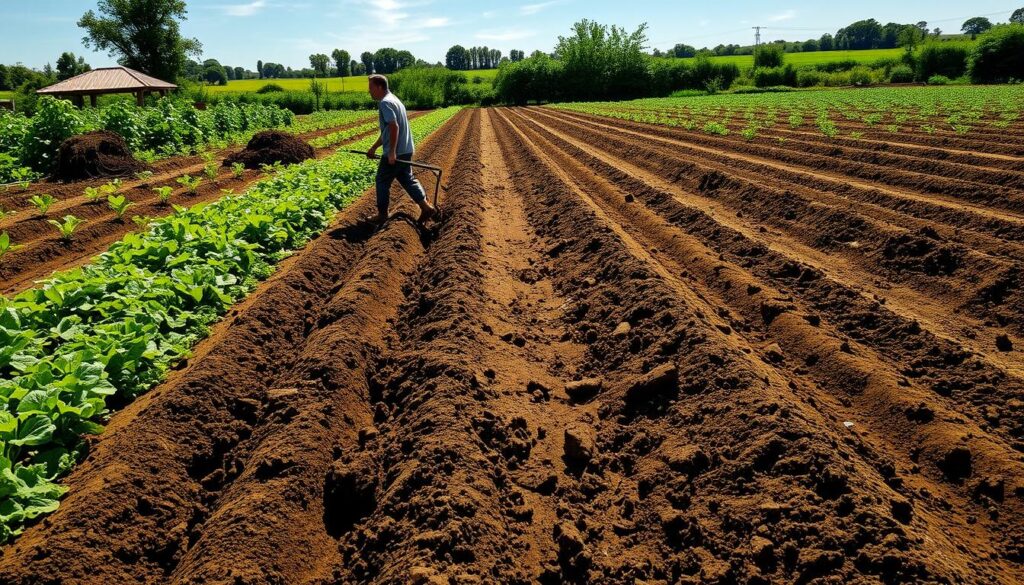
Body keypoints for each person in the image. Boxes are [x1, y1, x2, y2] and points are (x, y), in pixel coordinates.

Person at [365, 74, 435, 224]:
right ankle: (426, 208)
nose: (369, 91)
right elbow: (387, 132)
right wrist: (373, 148)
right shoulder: (395, 100)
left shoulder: (385, 103)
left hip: (396, 152)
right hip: (406, 149)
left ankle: (383, 215)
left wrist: (391, 152)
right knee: (407, 179)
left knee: (382, 181)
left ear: (379, 87)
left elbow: (394, 126)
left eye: (370, 88)